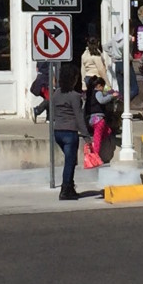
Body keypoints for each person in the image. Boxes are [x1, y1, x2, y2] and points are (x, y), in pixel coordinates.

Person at [51, 64, 92, 200]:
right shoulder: (75, 96)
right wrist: (87, 136)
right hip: (70, 132)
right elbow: (79, 117)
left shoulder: (56, 93)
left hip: (58, 131)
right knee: (69, 162)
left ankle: (70, 187)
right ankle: (65, 189)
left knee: (71, 160)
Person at [83, 75, 114, 165]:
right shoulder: (98, 92)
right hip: (99, 119)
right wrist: (111, 96)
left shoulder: (89, 94)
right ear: (99, 86)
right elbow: (101, 100)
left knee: (107, 131)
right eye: (103, 86)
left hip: (92, 119)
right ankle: (95, 156)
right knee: (97, 139)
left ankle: (94, 147)